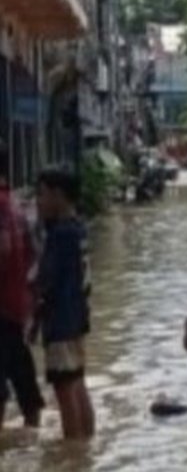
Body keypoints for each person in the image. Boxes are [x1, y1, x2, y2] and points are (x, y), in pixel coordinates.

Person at [36, 167, 95, 441]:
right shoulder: (78, 228)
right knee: (77, 381)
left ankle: (74, 452)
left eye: (42, 195)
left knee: (64, 386)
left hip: (61, 319)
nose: (38, 201)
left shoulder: (60, 235)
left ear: (58, 196)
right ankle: (85, 442)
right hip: (77, 317)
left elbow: (45, 279)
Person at [0, 145, 44, 430]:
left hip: (2, 304)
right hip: (16, 304)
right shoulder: (15, 205)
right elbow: (32, 255)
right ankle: (32, 429)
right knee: (19, 367)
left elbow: (3, 249)